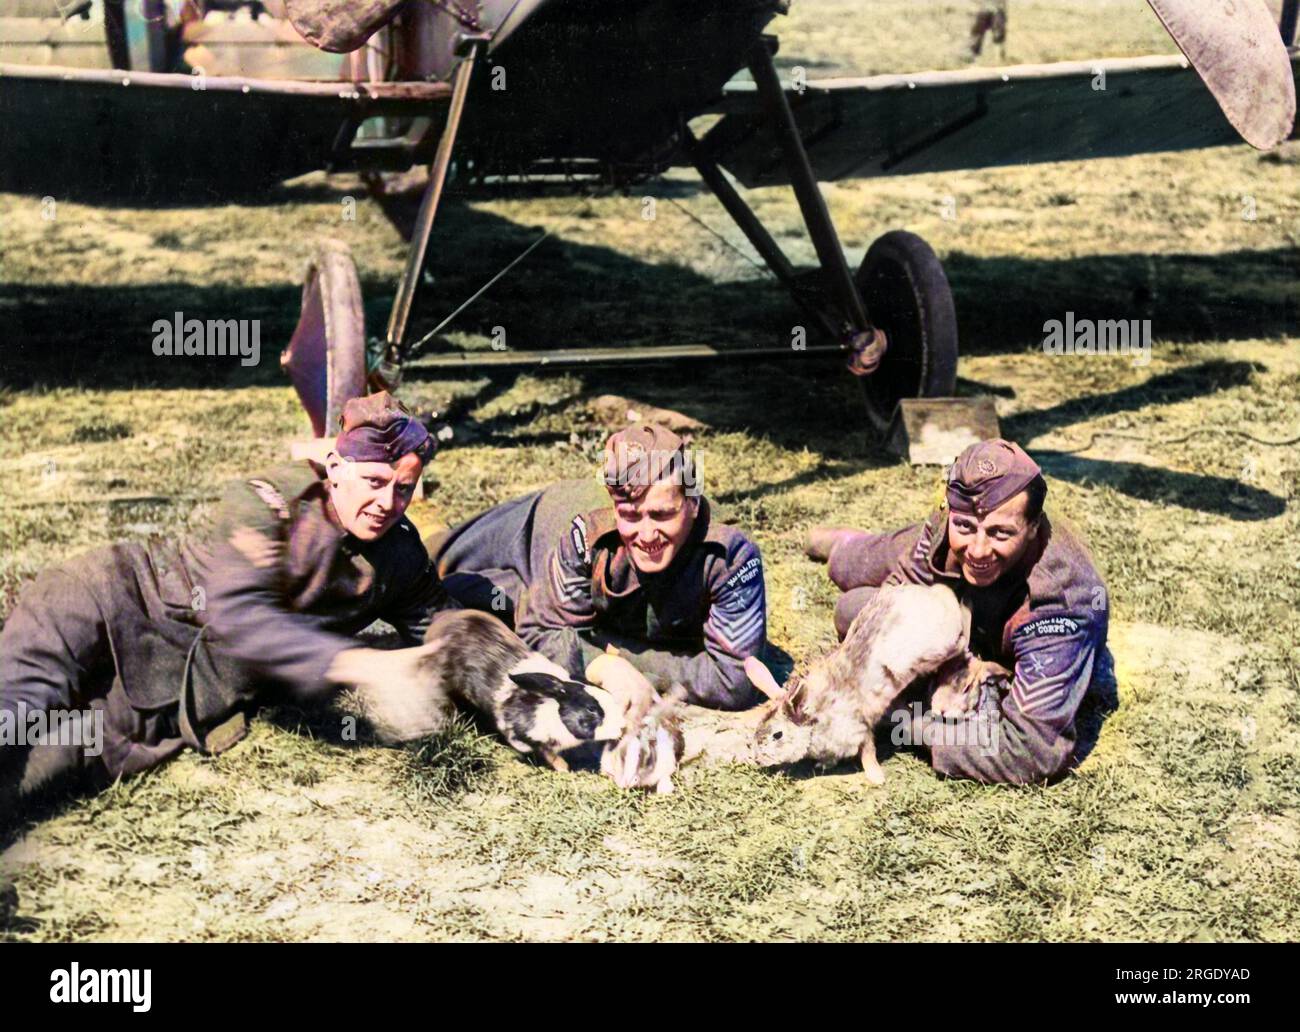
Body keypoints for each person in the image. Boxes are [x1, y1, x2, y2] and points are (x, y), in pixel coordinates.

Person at [0, 391, 453, 817]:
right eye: (374, 481)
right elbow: (243, 617)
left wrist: (501, 653)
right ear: (335, 466)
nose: (386, 503)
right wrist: (361, 664)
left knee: (47, 767)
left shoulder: (400, 556)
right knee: (20, 709)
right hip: (106, 600)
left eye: (403, 489)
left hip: (173, 691)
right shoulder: (268, 501)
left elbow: (440, 625)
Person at [805, 438, 1108, 785]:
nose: (978, 549)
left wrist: (906, 721)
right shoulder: (956, 514)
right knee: (852, 583)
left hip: (992, 629)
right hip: (954, 602)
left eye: (1000, 533)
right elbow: (898, 596)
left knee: (854, 607)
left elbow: (1030, 752)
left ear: (1033, 527)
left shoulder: (1061, 603)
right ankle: (843, 542)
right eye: (965, 527)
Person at [430, 423, 767, 711]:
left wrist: (612, 652)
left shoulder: (729, 555)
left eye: (663, 515)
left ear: (692, 504)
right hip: (540, 521)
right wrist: (602, 665)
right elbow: (542, 631)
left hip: (560, 589)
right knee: (431, 562)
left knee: (476, 597)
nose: (647, 534)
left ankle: (525, 595)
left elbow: (733, 681)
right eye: (631, 516)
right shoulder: (586, 533)